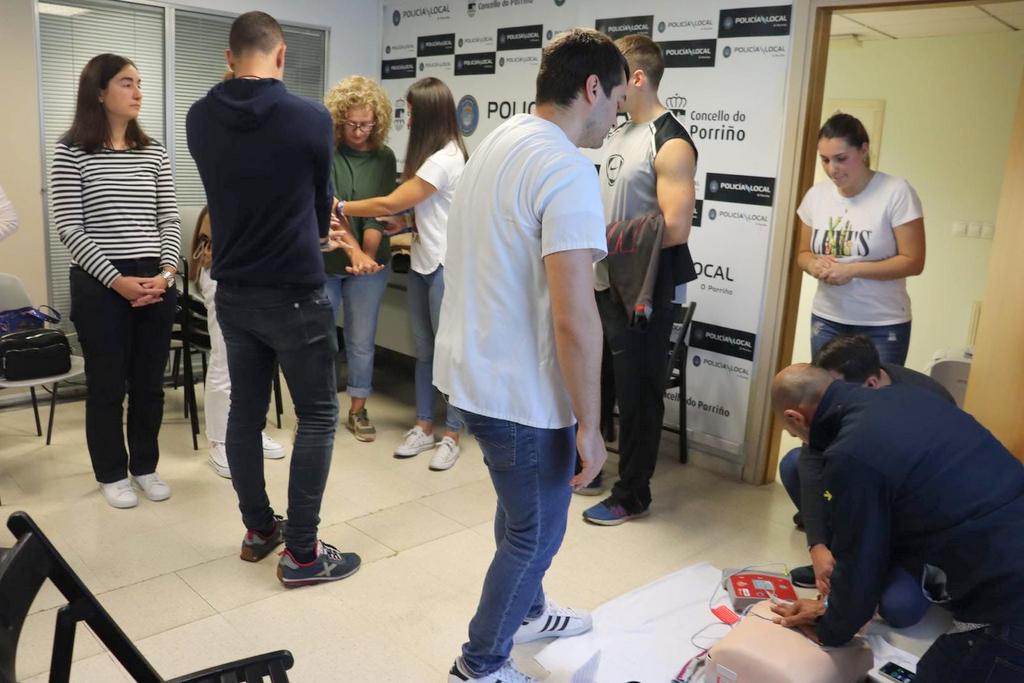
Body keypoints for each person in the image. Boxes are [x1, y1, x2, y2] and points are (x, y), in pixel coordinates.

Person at [435, 28, 627, 683]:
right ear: (592, 88)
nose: (617, 118)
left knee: (520, 512)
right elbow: (575, 317)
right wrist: (592, 426)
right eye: (617, 102)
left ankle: (531, 612)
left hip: (474, 372)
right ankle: (482, 663)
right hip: (517, 388)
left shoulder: (501, 140)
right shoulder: (565, 167)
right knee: (536, 532)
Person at [186, 11, 360, 586]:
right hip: (295, 294)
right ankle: (303, 554)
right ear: (281, 55)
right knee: (318, 415)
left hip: (234, 291)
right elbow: (319, 209)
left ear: (229, 58)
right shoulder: (310, 118)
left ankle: (260, 530)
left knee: (244, 411)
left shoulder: (199, 118)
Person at [769, 364, 1024, 683]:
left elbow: (860, 563)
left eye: (794, 434)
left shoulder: (852, 454)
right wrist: (834, 609)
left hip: (1008, 596)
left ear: (796, 418)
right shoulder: (908, 396)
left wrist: (829, 630)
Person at [50, 53, 180, 509]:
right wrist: (116, 280)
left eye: (139, 83)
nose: (138, 92)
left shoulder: (154, 151)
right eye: (127, 83)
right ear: (100, 91)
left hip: (155, 278)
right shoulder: (71, 150)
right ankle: (111, 472)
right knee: (107, 385)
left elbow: (168, 219)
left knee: (149, 384)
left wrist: (166, 274)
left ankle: (145, 466)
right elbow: (70, 228)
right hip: (100, 283)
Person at [579, 34, 698, 525]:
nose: (607, 88)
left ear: (638, 77)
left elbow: (675, 227)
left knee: (639, 395)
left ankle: (633, 494)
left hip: (644, 288)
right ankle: (594, 469)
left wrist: (605, 237)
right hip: (605, 281)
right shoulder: (619, 132)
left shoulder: (671, 141)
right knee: (601, 380)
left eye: (615, 77)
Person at [335, 76, 467, 471]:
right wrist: (406, 225)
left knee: (449, 354)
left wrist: (340, 207)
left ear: (427, 114)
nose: (406, 120)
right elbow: (432, 211)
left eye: (410, 113)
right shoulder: (430, 156)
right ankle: (424, 426)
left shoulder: (446, 158)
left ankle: (452, 434)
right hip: (422, 263)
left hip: (445, 268)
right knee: (425, 351)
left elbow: (389, 202)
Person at [780, 334, 954, 629]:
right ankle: (839, 564)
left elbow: (923, 504)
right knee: (794, 464)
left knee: (899, 608)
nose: (827, 400)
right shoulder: (844, 397)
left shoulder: (926, 401)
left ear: (871, 385)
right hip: (870, 506)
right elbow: (811, 463)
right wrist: (818, 545)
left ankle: (868, 571)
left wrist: (850, 595)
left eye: (834, 391)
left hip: (917, 527)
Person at [797, 113, 925, 365]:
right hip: (827, 318)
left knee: (875, 390)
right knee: (826, 388)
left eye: (841, 158)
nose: (832, 169)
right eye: (825, 160)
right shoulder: (816, 196)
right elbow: (803, 254)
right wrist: (813, 265)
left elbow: (914, 261)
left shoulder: (896, 192)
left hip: (882, 323)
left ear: (864, 150)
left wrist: (852, 270)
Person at [187, 206, 286, 478]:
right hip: (223, 272)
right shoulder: (228, 191)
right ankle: (219, 442)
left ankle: (251, 431)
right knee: (224, 359)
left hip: (259, 275)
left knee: (257, 361)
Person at [322, 75, 394, 443]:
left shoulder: (384, 157)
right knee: (321, 341)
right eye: (351, 124)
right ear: (338, 120)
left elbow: (378, 213)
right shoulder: (326, 152)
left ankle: (357, 409)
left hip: (371, 264)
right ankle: (316, 412)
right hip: (326, 261)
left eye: (366, 124)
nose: (358, 131)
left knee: (361, 341)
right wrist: (355, 253)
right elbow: (331, 209)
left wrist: (367, 257)